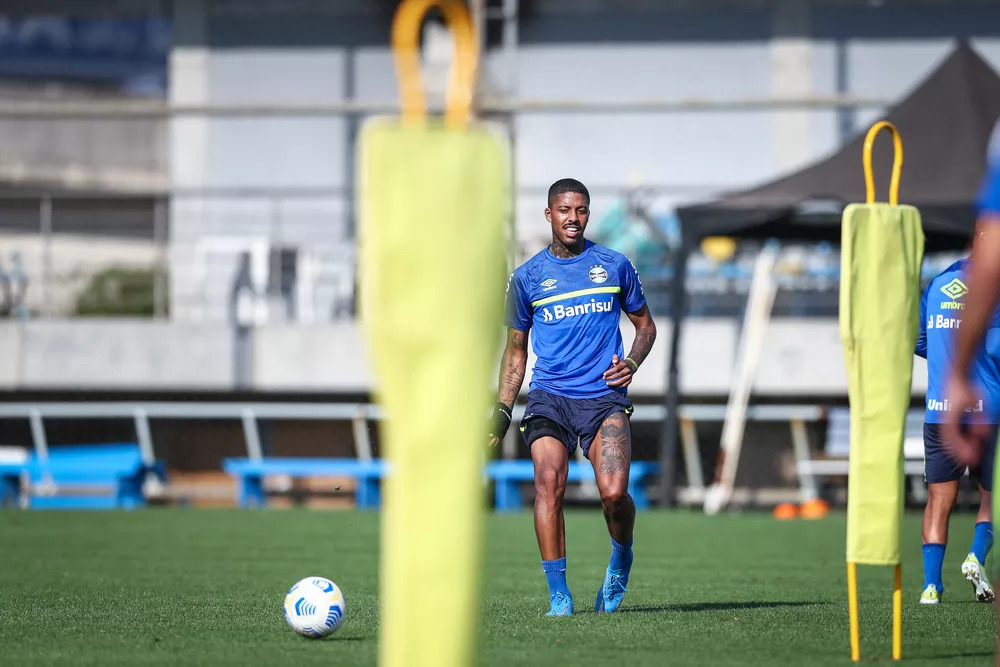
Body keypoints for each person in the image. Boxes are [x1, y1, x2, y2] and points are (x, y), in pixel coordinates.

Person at [488, 178, 657, 616]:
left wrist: (633, 364)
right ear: (549, 214)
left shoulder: (614, 265)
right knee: (548, 484)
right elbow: (516, 349)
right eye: (565, 210)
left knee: (614, 494)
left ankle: (621, 556)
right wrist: (503, 409)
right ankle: (559, 595)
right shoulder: (526, 279)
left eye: (581, 210)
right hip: (550, 399)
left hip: (604, 398)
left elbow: (646, 326)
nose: (573, 218)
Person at [915, 252, 999, 604]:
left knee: (938, 500)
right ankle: (975, 557)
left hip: (940, 409)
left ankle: (930, 587)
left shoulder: (936, 285)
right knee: (992, 498)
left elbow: (920, 341)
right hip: (987, 409)